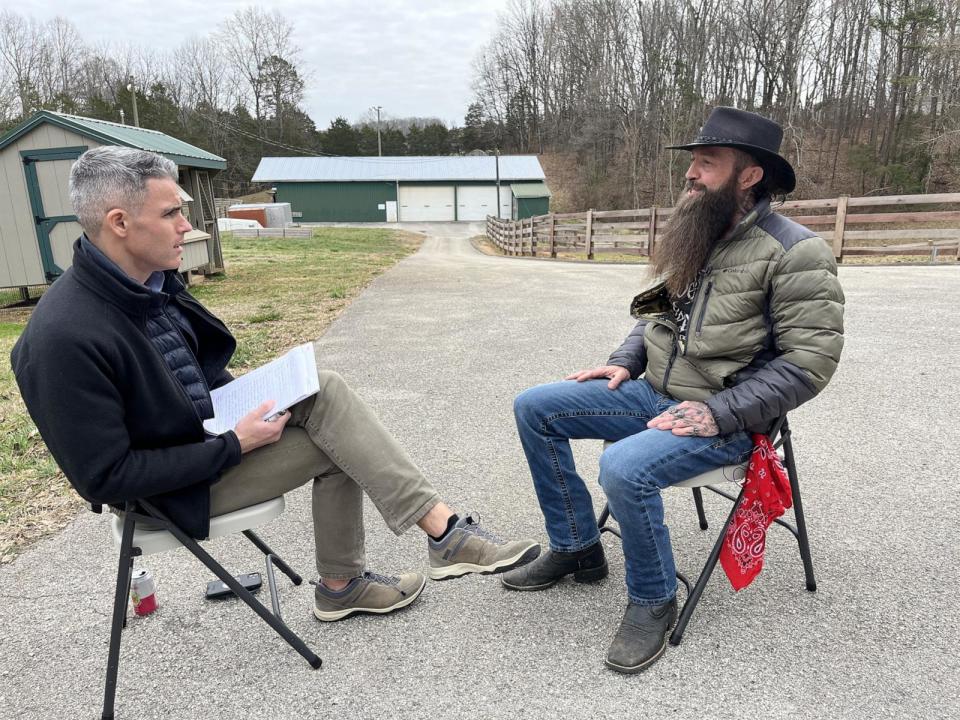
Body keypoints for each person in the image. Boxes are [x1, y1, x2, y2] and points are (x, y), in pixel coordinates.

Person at [12, 145, 539, 623]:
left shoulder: (149, 286)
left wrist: (260, 398)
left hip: (204, 443)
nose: (187, 226)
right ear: (120, 222)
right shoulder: (64, 337)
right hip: (170, 494)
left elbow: (194, 373)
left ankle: (379, 567)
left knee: (324, 394)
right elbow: (107, 479)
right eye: (171, 213)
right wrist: (235, 444)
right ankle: (417, 550)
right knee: (338, 435)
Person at [501, 107, 844, 673]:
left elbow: (810, 363)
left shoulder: (795, 252)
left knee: (625, 467)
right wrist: (623, 362)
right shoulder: (698, 228)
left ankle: (654, 596)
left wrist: (717, 413)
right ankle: (578, 548)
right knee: (535, 407)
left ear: (749, 174)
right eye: (693, 164)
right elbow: (657, 314)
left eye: (707, 164)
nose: (691, 175)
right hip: (653, 393)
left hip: (726, 420)